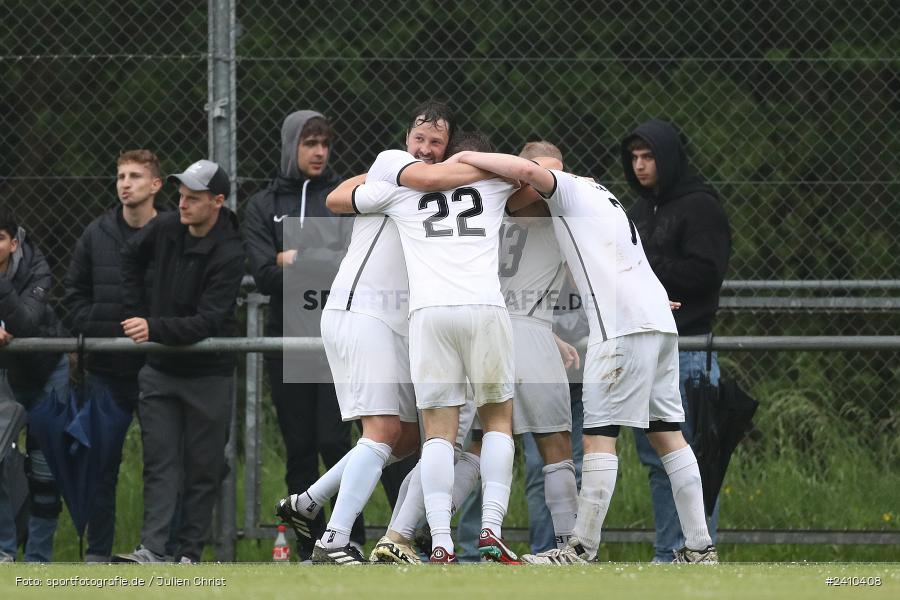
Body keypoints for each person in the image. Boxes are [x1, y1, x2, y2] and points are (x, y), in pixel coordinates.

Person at [451, 150, 718, 564]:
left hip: (621, 327)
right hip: (658, 323)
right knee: (667, 432)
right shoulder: (603, 196)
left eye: (537, 179)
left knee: (598, 437)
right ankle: (701, 546)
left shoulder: (568, 191)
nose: (525, 191)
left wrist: (466, 156)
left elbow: (524, 172)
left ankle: (579, 548)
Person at [275, 101, 478, 565]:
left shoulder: (440, 198)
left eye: (436, 143)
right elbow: (334, 198)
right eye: (420, 139)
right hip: (360, 312)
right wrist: (484, 169)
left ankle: (306, 503)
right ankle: (333, 541)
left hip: (391, 324)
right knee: (384, 429)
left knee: (406, 437)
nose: (425, 149)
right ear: (407, 139)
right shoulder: (392, 164)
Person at [328, 131, 521, 564]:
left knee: (437, 434)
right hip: (484, 309)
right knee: (497, 424)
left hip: (428, 315)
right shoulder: (496, 182)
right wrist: (490, 165)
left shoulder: (399, 193)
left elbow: (339, 199)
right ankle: (491, 528)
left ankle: (440, 542)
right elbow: (535, 177)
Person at [243, 110, 365, 559]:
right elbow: (260, 273)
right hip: (287, 343)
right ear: (290, 145)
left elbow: (350, 267)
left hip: (337, 341)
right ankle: (309, 546)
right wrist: (305, 259)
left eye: (324, 144)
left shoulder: (341, 196)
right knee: (299, 448)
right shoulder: (264, 204)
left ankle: (348, 538)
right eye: (309, 143)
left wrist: (292, 256)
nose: (318, 152)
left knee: (336, 442)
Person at [113, 159, 245, 564]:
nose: (182, 204)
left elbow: (208, 321)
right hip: (160, 371)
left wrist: (152, 326)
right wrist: (138, 309)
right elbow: (129, 258)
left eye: (194, 198)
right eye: (181, 195)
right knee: (159, 463)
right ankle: (151, 549)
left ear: (218, 202)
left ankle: (189, 553)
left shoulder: (231, 251)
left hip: (209, 374)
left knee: (203, 469)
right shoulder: (168, 226)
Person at [622, 118, 731, 562]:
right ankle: (668, 550)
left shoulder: (701, 207)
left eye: (648, 157)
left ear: (667, 157)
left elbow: (707, 272)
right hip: (645, 346)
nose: (640, 166)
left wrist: (645, 274)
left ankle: (695, 549)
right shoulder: (637, 210)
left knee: (694, 459)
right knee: (655, 460)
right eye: (634, 158)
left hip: (688, 350)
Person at [62, 149, 163, 562]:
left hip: (158, 369)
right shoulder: (96, 233)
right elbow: (73, 297)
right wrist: (112, 330)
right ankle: (97, 555)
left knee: (161, 467)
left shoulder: (172, 232)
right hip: (105, 372)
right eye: (120, 175)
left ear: (155, 185)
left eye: (135, 176)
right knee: (100, 467)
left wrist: (153, 330)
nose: (125, 183)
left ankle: (160, 551)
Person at [0, 210, 69, 562]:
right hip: (5, 377)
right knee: (0, 461)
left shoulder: (37, 267)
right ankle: (4, 551)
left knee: (45, 472)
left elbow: (24, 322)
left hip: (46, 372)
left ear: (14, 243)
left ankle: (38, 561)